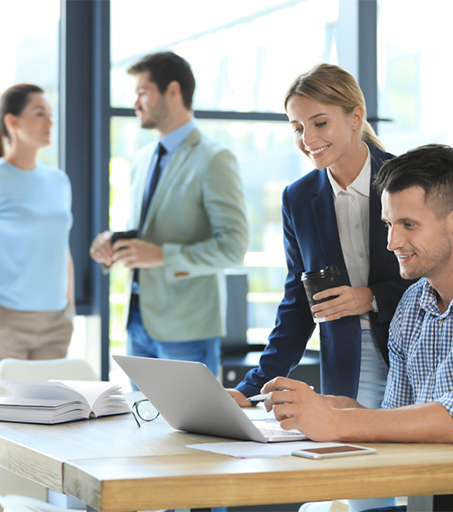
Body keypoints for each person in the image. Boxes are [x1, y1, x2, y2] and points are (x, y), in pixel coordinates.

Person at [262, 144, 453, 511]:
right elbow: (395, 421)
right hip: (429, 500)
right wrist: (337, 408)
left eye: (408, 224)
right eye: (388, 225)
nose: (392, 242)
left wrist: (337, 422)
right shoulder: (411, 306)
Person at [229, 64, 411, 409]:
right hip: (347, 368)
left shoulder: (408, 180)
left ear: (355, 117)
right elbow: (299, 303)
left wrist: (371, 297)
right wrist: (250, 389)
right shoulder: (298, 199)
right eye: (297, 128)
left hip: (419, 357)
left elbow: (441, 275)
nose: (308, 139)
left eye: (320, 123)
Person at [89, 52, 248, 377]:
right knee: (139, 426)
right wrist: (112, 244)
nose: (135, 102)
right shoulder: (142, 159)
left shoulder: (214, 159)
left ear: (173, 91)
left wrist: (162, 256)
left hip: (188, 328)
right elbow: (147, 232)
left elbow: (233, 247)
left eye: (142, 92)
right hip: (137, 322)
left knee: (192, 428)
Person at [0, 84, 74, 360]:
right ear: (12, 121)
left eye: (51, 114)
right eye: (40, 113)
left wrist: (70, 308)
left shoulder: (59, 181)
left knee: (54, 404)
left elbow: (62, 247)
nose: (50, 122)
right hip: (7, 320)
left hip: (56, 322)